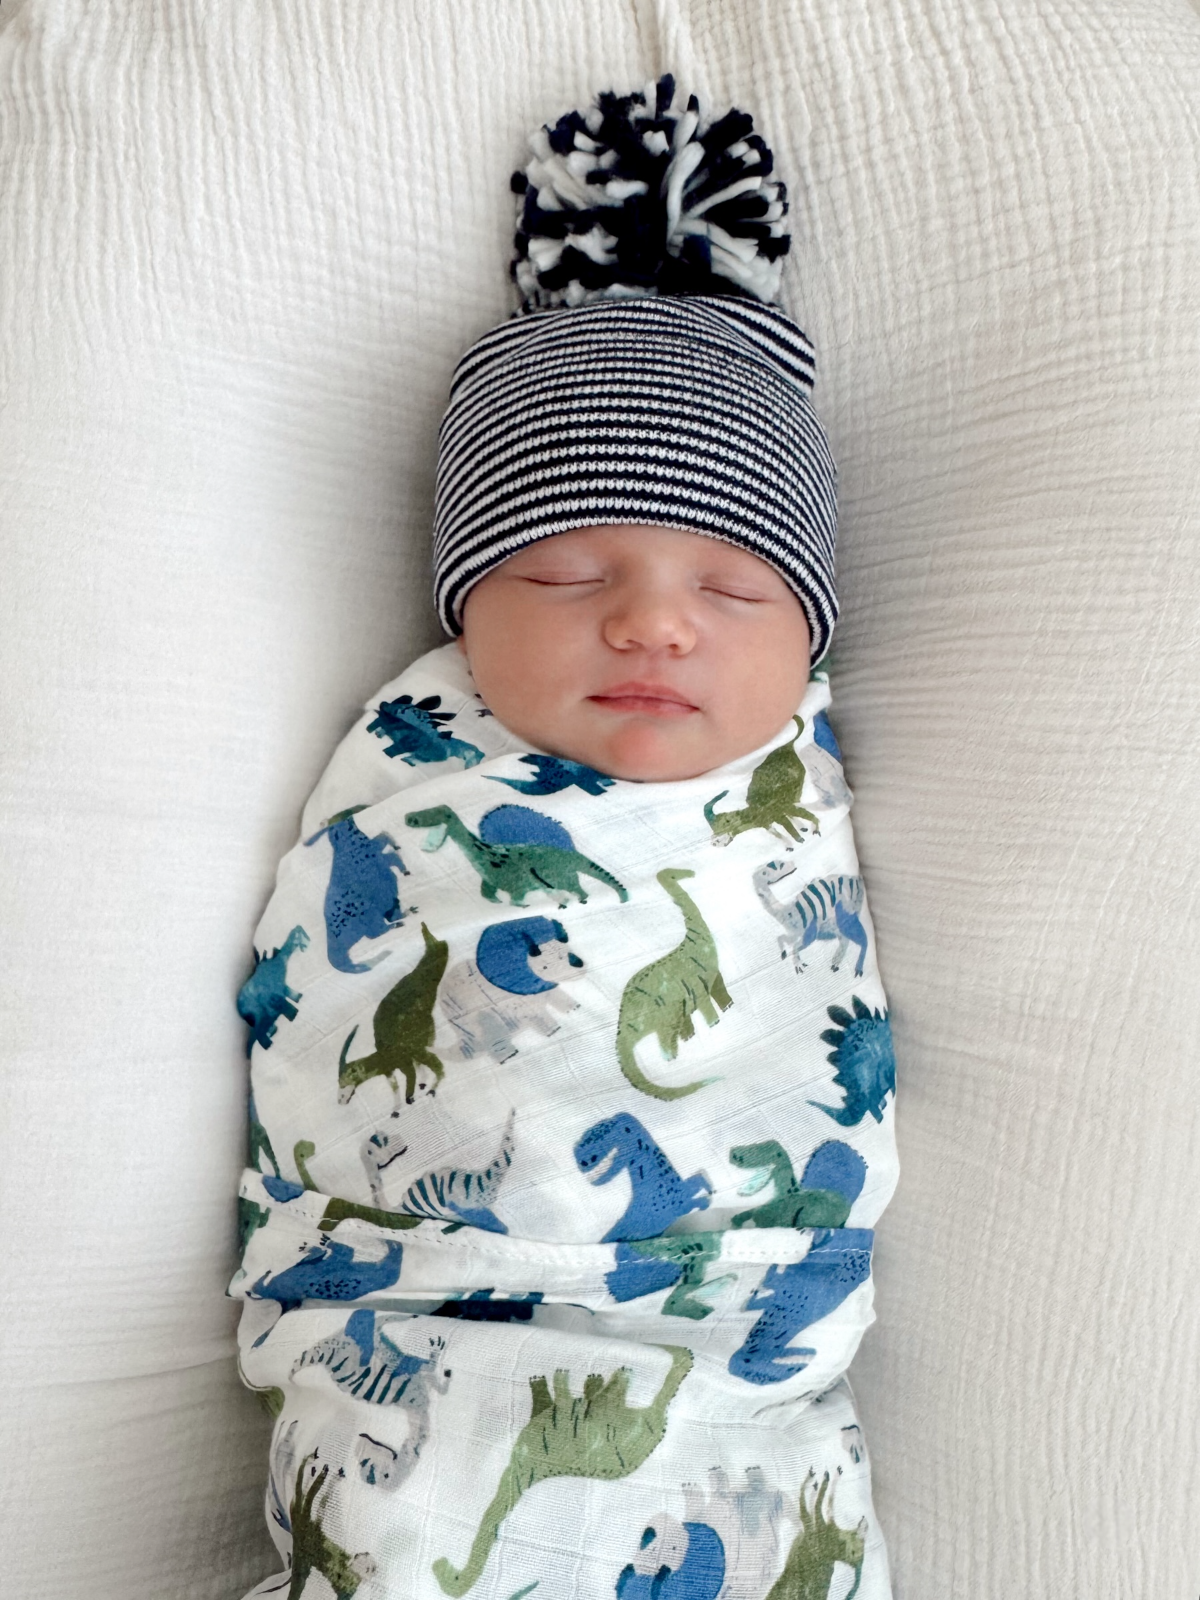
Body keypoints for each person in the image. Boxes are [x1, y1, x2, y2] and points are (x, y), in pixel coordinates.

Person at [234, 78, 898, 1600]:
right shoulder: (412, 759)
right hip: (428, 1307)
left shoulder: (806, 767)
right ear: (463, 608)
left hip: (741, 1335)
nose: (652, 621)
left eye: (733, 589)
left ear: (806, 636)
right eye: (567, 567)